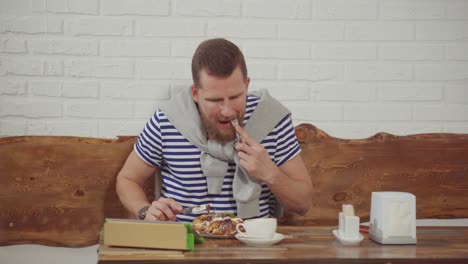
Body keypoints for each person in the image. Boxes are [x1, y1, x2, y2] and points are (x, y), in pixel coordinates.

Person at [116, 38, 312, 223]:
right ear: (195, 93)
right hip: (185, 246)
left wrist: (270, 174)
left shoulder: (272, 120)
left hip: (253, 247)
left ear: (247, 85)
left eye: (235, 97)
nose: (227, 111)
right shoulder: (167, 121)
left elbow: (303, 204)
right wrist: (144, 211)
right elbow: (127, 179)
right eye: (215, 100)